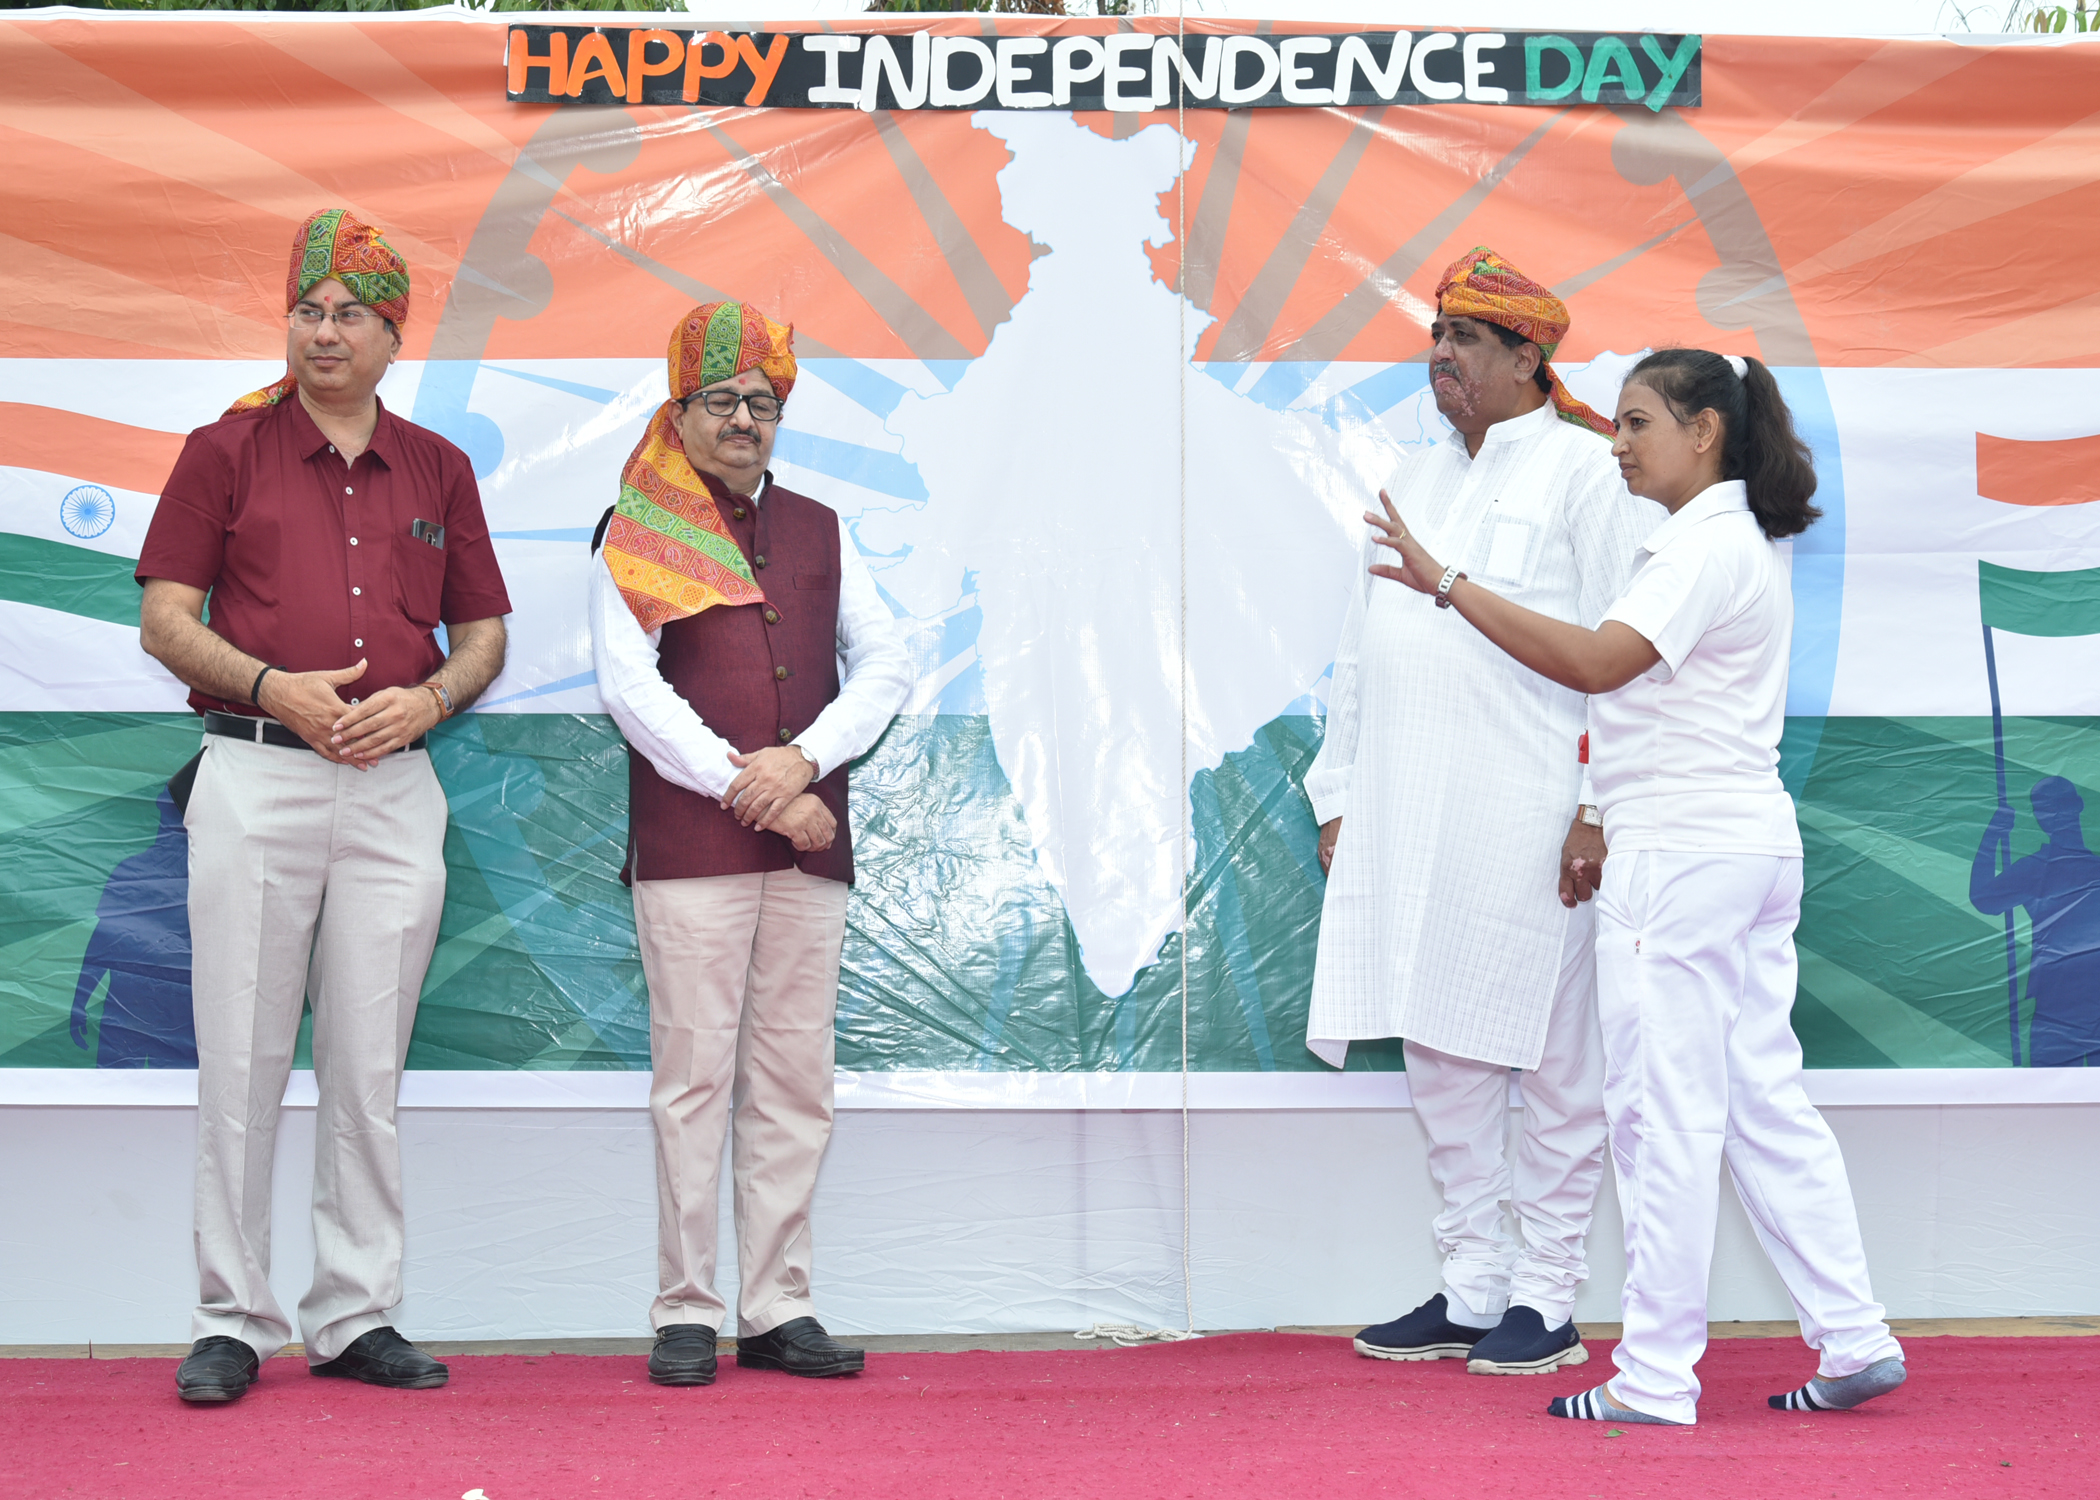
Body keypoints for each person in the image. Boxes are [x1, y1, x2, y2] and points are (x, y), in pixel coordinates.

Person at [1361, 346, 1906, 1425]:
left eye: (1638, 422)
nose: (1616, 443)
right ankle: (1854, 1335)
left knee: (1663, 1118)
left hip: (1681, 859)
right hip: (1740, 851)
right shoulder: (1727, 543)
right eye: (1617, 422)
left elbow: (1597, 663)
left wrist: (1450, 584)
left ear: (1705, 432)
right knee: (1760, 1105)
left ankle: (1656, 1377)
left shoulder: (1699, 550)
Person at [136, 209, 511, 1404]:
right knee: (242, 1058)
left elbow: (485, 634)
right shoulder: (223, 451)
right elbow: (164, 621)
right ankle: (231, 1320)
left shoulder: (438, 467)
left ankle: (354, 1315)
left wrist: (431, 700)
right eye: (309, 310)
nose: (325, 332)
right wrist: (270, 688)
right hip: (256, 772)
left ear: (394, 336)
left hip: (395, 786)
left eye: (351, 314)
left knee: (367, 1064)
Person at [1306, 248, 1660, 1377]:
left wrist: (1597, 806)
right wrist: (1340, 794)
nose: (1441, 354)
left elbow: (1625, 656)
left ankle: (1546, 1297)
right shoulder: (1414, 478)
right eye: (1437, 335)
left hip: (1535, 812)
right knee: (1438, 1048)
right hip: (1409, 811)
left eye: (1464, 337)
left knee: (1555, 1062)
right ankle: (1472, 1287)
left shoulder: (1587, 471)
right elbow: (1360, 654)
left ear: (1527, 356)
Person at [589, 300, 910, 1388]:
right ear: (679, 412)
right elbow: (631, 690)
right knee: (692, 1082)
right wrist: (759, 789)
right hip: (694, 851)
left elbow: (887, 664)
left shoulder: (820, 527)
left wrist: (803, 759)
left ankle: (778, 1309)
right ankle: (686, 1311)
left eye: (761, 403)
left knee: (792, 1082)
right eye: (720, 400)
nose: (742, 419)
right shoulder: (639, 525)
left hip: (808, 849)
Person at [1972, 776, 2100, 1067]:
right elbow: (1983, 900)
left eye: (2058, 804)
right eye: (2043, 806)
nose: (2053, 813)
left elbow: (1983, 899)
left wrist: (1992, 836)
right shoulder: (2035, 869)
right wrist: (1992, 836)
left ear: (2077, 805)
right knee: (2052, 1086)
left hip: (2064, 999)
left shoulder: (2039, 869)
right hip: (2057, 1001)